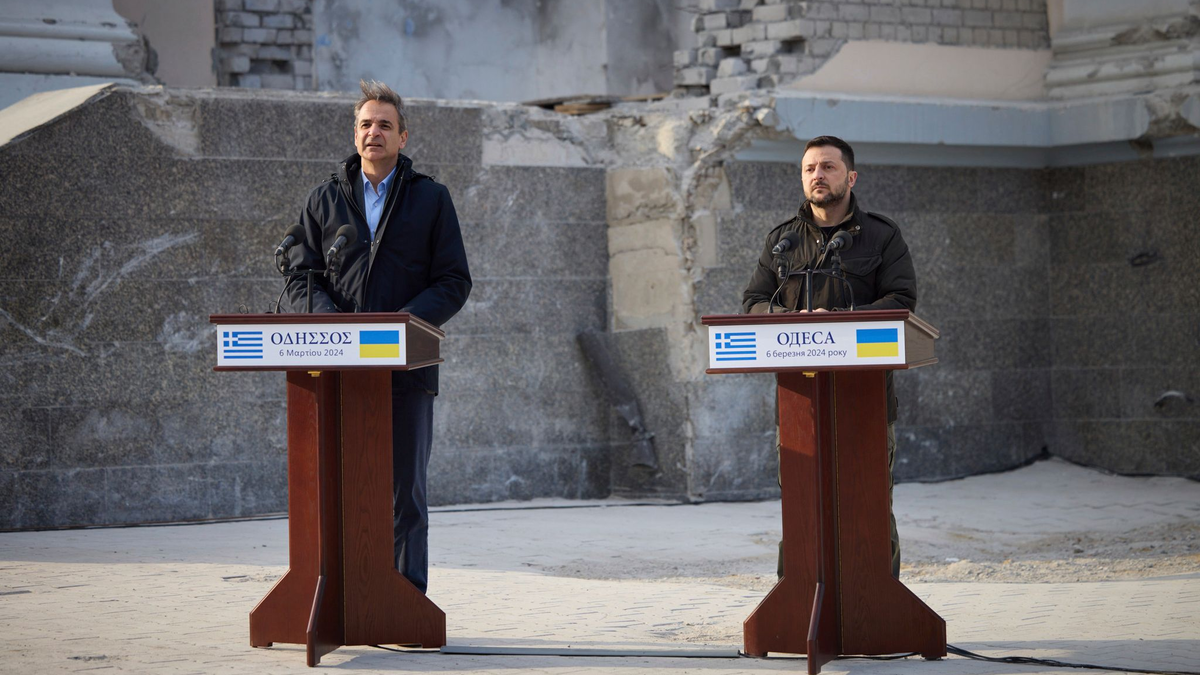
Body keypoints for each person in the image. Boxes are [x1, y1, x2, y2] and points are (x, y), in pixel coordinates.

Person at [284, 80, 472, 594]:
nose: (374, 133)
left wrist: (402, 326)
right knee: (337, 487)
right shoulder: (324, 200)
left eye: (385, 125)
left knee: (403, 493)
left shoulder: (431, 199)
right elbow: (302, 274)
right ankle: (341, 596)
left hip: (407, 370)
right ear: (355, 133)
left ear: (403, 137)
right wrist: (333, 327)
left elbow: (454, 281)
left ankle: (405, 600)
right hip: (338, 365)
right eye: (366, 124)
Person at [742, 135, 916, 578]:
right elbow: (753, 303)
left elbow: (901, 300)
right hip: (801, 401)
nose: (817, 175)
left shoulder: (882, 235)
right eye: (809, 169)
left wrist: (838, 320)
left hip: (867, 401)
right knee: (802, 505)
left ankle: (880, 605)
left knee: (869, 504)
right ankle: (797, 601)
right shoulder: (781, 241)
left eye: (828, 167)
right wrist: (792, 318)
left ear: (851, 177)